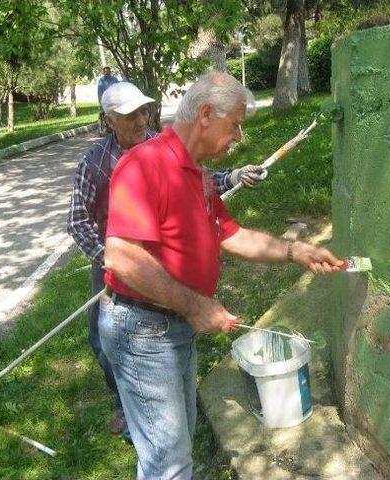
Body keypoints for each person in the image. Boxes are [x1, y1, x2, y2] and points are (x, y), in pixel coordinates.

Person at [100, 71, 343, 479]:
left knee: (175, 448)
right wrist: (195, 305)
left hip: (171, 326)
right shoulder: (143, 165)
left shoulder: (195, 173)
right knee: (168, 460)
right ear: (206, 114)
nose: (239, 137)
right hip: (141, 331)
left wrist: (294, 250)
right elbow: (122, 257)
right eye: (235, 125)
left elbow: (231, 234)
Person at [66, 81, 266, 440]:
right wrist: (110, 259)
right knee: (101, 340)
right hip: (118, 268)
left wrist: (231, 177)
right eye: (130, 114)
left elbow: (193, 183)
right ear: (109, 119)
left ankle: (145, 415)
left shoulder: (159, 146)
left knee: (172, 443)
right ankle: (127, 406)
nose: (141, 119)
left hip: (167, 290)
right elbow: (77, 222)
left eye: (144, 110)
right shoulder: (96, 164)